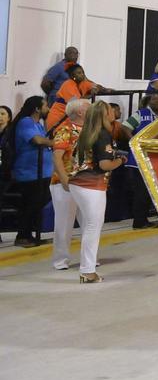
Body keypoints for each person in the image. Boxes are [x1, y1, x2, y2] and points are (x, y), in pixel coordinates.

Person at [65, 101, 123, 283]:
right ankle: (87, 270)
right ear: (104, 115)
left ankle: (87, 268)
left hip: (77, 183)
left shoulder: (86, 133)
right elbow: (104, 164)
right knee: (92, 227)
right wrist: (120, 160)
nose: (113, 112)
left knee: (89, 226)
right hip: (91, 185)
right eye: (110, 110)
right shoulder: (102, 134)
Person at [48, 98, 88, 271]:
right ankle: (60, 259)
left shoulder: (89, 130)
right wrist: (64, 179)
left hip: (86, 183)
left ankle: (88, 258)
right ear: (80, 112)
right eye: (89, 108)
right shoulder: (65, 129)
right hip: (65, 182)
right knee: (64, 223)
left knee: (89, 222)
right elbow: (57, 156)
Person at [9, 97, 52, 248]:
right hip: (30, 173)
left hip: (41, 172)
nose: (48, 108)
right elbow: (38, 141)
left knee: (39, 202)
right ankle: (22, 236)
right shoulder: (26, 122)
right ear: (37, 109)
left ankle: (30, 235)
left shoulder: (38, 124)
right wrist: (56, 143)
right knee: (31, 204)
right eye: (46, 106)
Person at [121, 90, 158, 228]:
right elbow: (125, 126)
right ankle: (139, 222)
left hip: (155, 160)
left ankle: (152, 219)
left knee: (156, 192)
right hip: (138, 161)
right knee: (142, 192)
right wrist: (133, 140)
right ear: (149, 101)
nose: (156, 102)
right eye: (154, 99)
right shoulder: (141, 114)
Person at [45, 63, 117, 130]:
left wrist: (106, 90)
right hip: (59, 117)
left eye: (83, 72)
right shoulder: (68, 84)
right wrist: (91, 95)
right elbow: (76, 102)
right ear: (73, 76)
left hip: (70, 118)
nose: (82, 75)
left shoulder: (83, 83)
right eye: (79, 73)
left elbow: (96, 86)